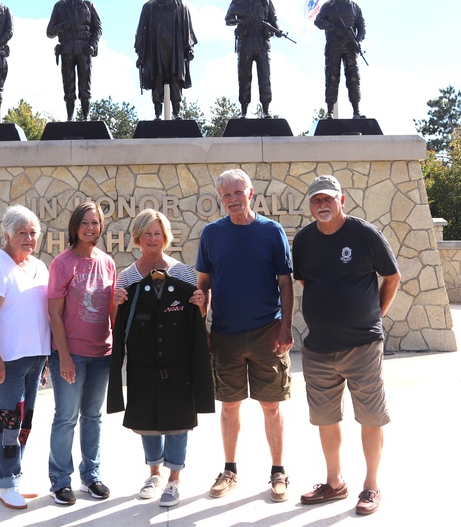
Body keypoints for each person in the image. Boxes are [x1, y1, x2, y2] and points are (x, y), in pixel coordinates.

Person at [291, 174, 401, 516]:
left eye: (328, 199)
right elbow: (307, 280)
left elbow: (392, 276)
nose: (322, 205)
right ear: (310, 206)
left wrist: (374, 316)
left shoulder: (365, 234)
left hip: (362, 346)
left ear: (342, 201)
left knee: (370, 417)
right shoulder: (305, 240)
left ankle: (371, 486)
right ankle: (334, 482)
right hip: (318, 348)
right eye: (316, 200)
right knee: (325, 418)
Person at [195, 168, 295, 502]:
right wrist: (203, 328)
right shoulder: (211, 234)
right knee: (229, 406)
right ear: (220, 199)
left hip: (267, 332)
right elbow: (203, 284)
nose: (233, 200)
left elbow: (285, 283)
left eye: (239, 193)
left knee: (271, 405)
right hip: (225, 334)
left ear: (250, 193)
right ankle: (229, 470)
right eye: (227, 195)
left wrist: (285, 327)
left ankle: (278, 472)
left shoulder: (271, 231)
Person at [107, 210, 213, 508]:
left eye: (157, 233)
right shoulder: (127, 277)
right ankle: (153, 473)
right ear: (138, 238)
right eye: (147, 234)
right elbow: (119, 326)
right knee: (148, 422)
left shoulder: (184, 273)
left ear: (165, 237)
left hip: (179, 365)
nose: (152, 239)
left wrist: (202, 305)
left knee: (178, 422)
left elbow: (198, 318)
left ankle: (174, 479)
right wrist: (115, 305)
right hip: (143, 365)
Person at [0, 205, 51, 510]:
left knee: (24, 422)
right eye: (22, 232)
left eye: (33, 233)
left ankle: (13, 476)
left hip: (34, 360)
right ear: (7, 234)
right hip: (6, 363)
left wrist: (44, 360)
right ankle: (6, 482)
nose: (29, 238)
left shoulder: (39, 267)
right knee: (8, 423)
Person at [47, 201, 116, 505]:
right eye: (85, 223)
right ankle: (60, 480)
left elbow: (112, 309)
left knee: (93, 417)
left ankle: (91, 476)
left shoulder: (107, 262)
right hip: (71, 354)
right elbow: (54, 314)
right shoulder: (62, 263)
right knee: (66, 417)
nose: (91, 228)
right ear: (75, 226)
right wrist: (63, 356)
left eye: (96, 223)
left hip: (102, 354)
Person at [134, 0, 197, 120]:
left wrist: (189, 48)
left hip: (174, 50)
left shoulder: (179, 4)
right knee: (157, 80)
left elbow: (186, 28)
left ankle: (177, 113)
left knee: (175, 81)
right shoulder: (149, 7)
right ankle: (157, 114)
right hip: (156, 51)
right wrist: (141, 54)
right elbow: (141, 32)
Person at [47, 0, 102, 121]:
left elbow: (98, 28)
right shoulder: (59, 6)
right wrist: (62, 26)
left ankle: (86, 116)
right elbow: (49, 31)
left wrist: (93, 44)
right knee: (68, 84)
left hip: (84, 49)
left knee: (85, 85)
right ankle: (70, 116)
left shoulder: (88, 5)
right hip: (66, 49)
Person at [224, 0, 279, 119]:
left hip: (262, 42)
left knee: (265, 77)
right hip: (246, 42)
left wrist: (277, 30)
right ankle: (243, 111)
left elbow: (273, 20)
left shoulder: (265, 0)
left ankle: (266, 110)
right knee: (244, 77)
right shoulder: (238, 0)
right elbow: (228, 19)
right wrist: (242, 21)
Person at [313, 0, 365, 119]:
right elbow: (318, 22)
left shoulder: (354, 7)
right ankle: (329, 111)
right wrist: (334, 29)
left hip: (350, 47)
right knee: (332, 78)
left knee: (354, 78)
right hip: (333, 47)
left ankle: (356, 111)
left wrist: (358, 41)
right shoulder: (328, 6)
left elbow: (361, 26)